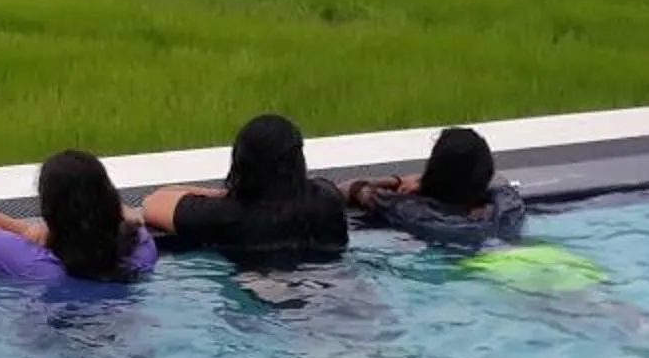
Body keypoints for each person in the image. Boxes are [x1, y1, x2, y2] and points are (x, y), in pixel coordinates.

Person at [142, 113, 350, 266]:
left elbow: (152, 203)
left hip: (269, 301)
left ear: (240, 163)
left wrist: (221, 195)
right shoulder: (327, 199)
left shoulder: (227, 214)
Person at [0, 151, 157, 288]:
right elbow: (129, 214)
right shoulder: (142, 249)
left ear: (49, 212)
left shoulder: (34, 265)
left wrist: (25, 230)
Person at [345, 126, 529, 248]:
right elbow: (499, 178)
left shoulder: (415, 212)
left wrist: (399, 180)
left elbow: (352, 188)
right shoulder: (508, 206)